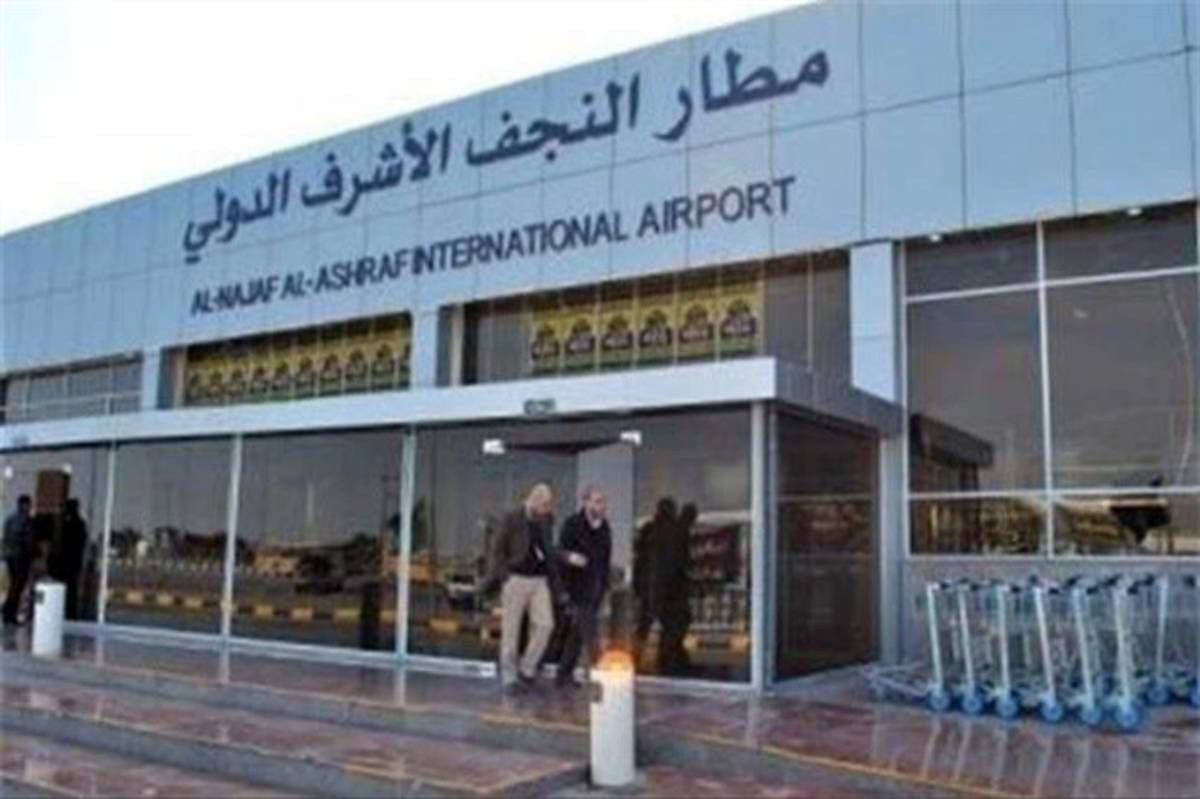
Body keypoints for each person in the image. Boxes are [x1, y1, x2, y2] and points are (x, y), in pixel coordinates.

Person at [486, 483, 565, 692]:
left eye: (549, 505)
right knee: (511, 630)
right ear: (534, 500)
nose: (547, 509)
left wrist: (557, 582)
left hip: (539, 580)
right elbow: (497, 548)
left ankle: (527, 668)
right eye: (545, 504)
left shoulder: (546, 520)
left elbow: (548, 550)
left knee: (545, 625)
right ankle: (509, 677)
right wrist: (505, 576)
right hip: (516, 578)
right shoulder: (512, 518)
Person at [556, 486, 612, 688]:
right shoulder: (573, 524)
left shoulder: (604, 528)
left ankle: (563, 673)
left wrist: (605, 586)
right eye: (596, 501)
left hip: (595, 586)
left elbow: (605, 559)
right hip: (577, 586)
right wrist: (570, 557)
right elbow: (559, 551)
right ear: (586, 502)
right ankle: (601, 671)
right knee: (590, 631)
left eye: (602, 502)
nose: (600, 506)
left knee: (577, 634)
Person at [50, 499, 89, 620]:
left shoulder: (68, 524)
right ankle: (68, 614)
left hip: (67, 563)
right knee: (69, 590)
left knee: (67, 590)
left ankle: (67, 613)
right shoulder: (71, 524)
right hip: (67, 563)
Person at [3, 495, 35, 626]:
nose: (29, 507)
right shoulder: (25, 521)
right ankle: (9, 613)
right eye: (28, 505)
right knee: (17, 586)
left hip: (12, 557)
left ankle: (8, 611)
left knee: (15, 586)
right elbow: (26, 540)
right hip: (20, 558)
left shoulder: (10, 519)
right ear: (23, 505)